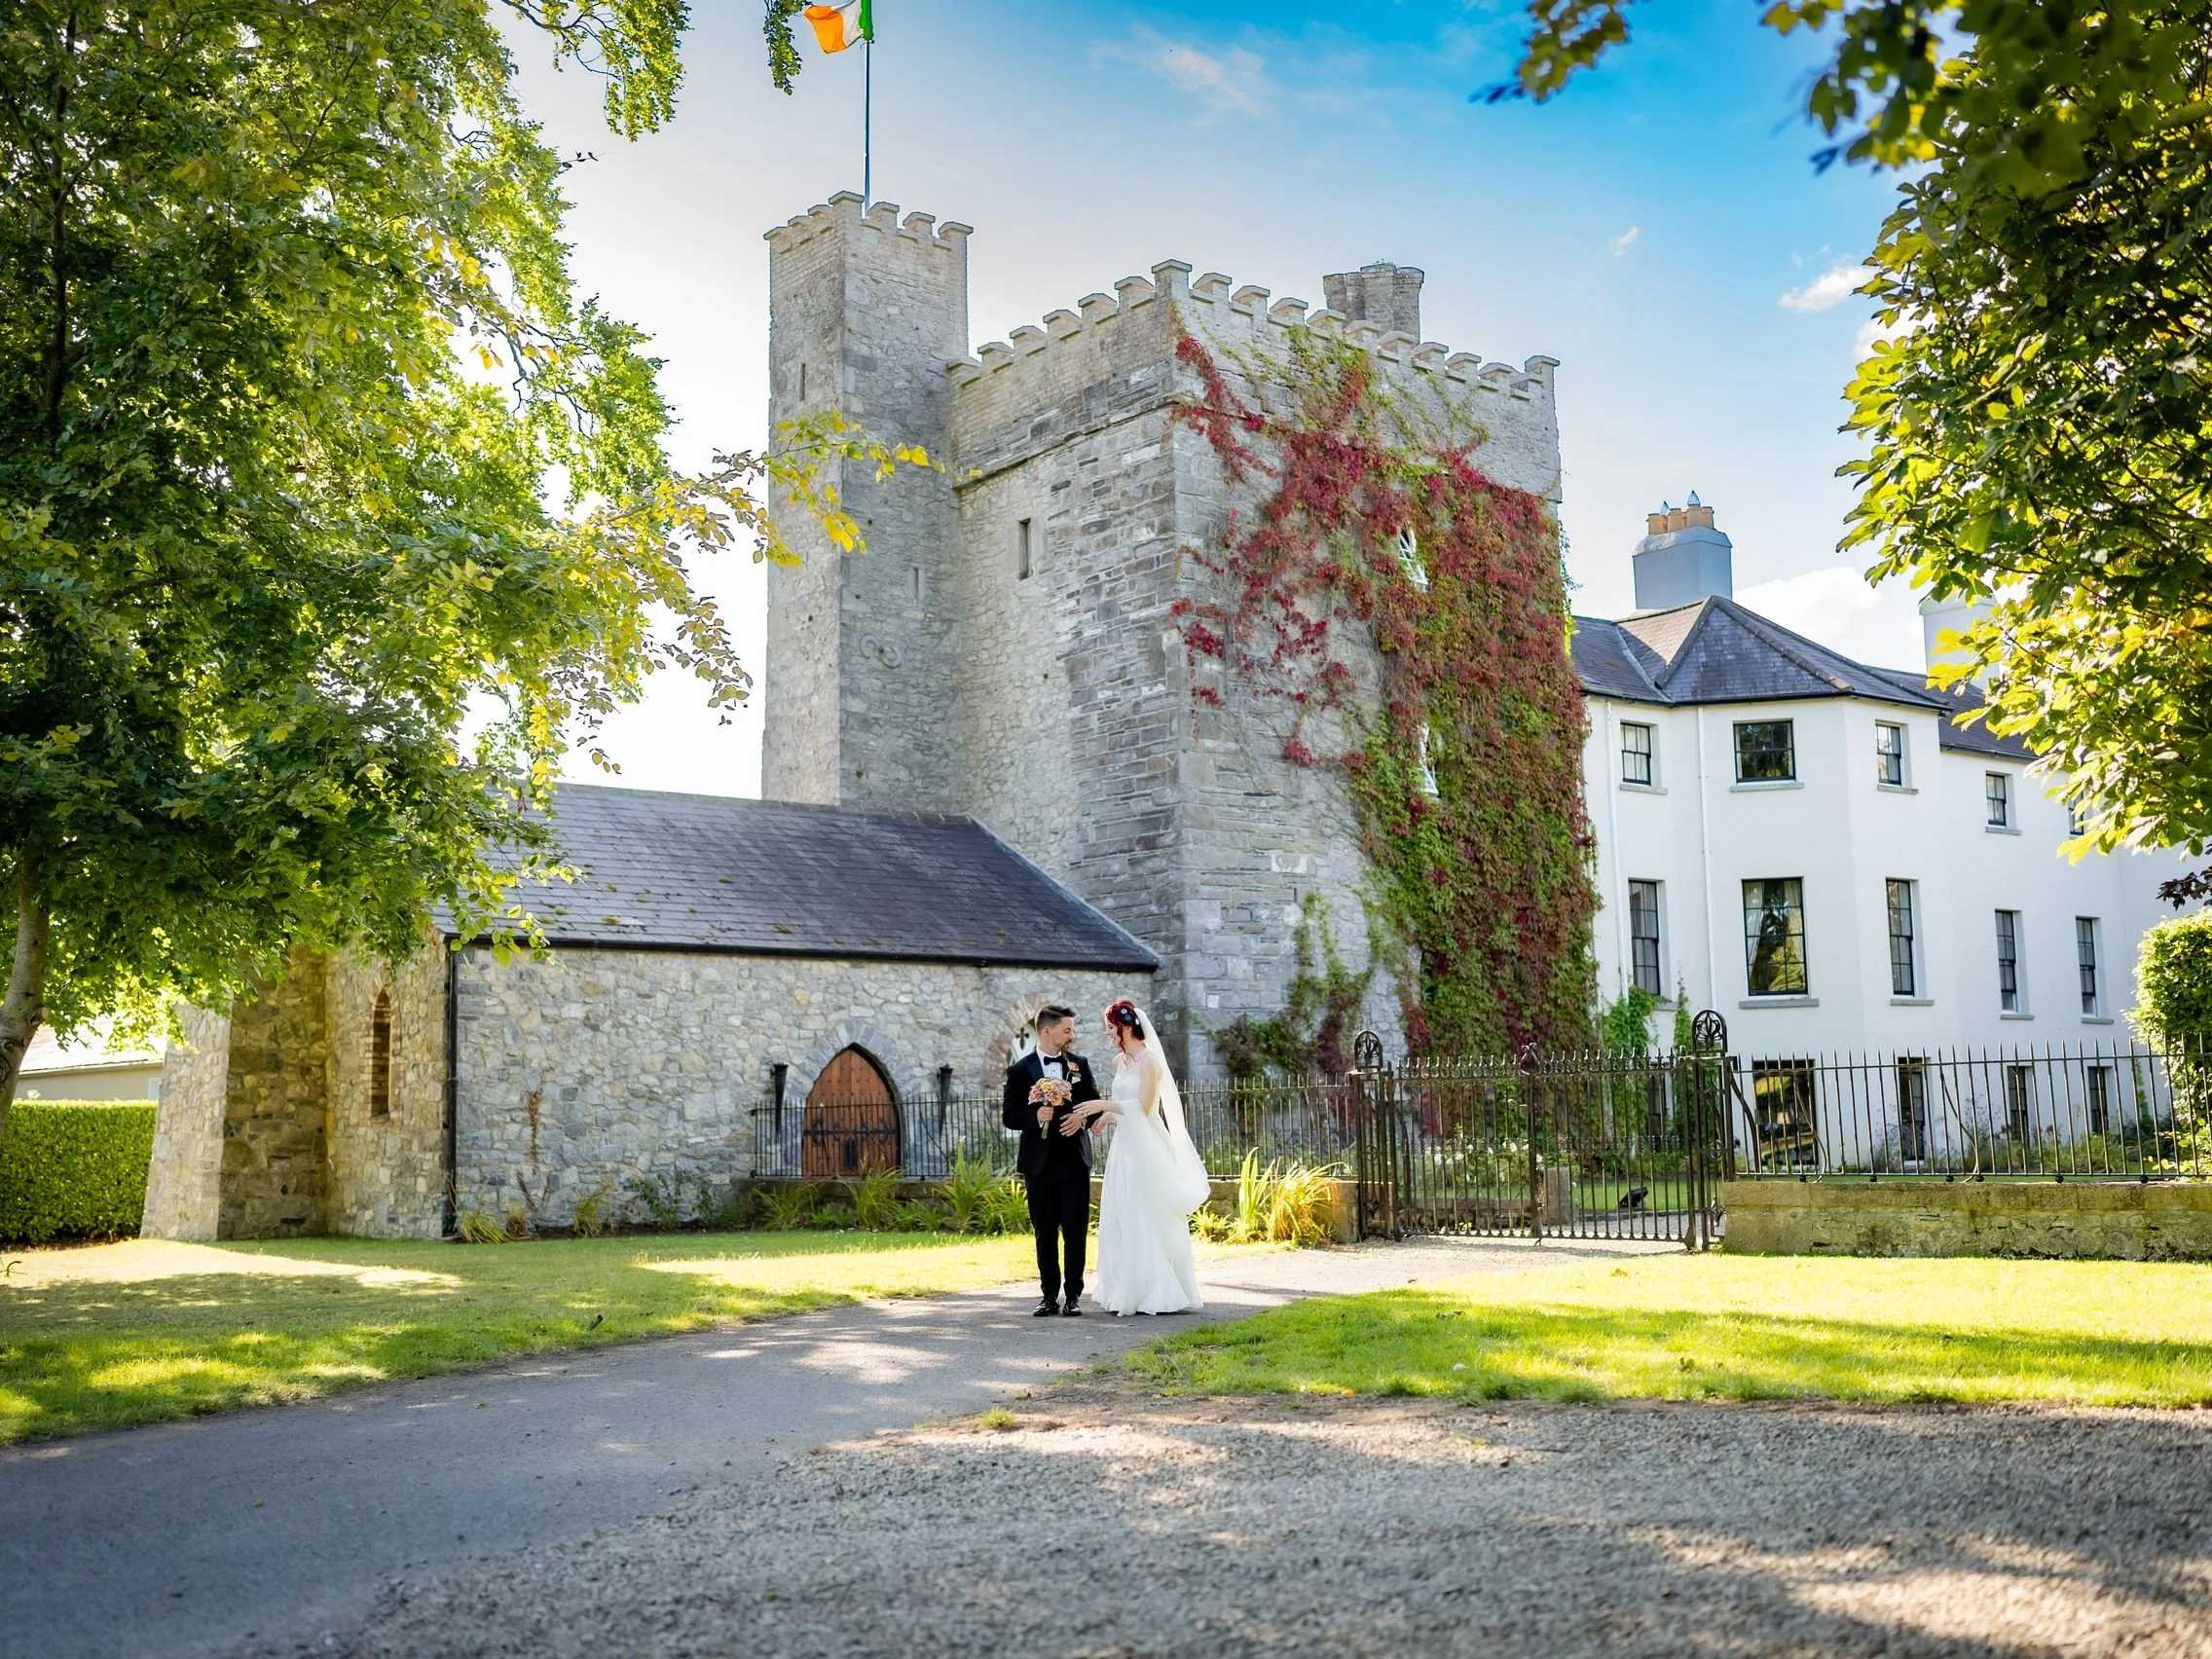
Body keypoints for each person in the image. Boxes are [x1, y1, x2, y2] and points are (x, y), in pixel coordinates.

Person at [1076, 1000, 1208, 1315]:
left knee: (1145, 1212)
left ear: (1124, 1027)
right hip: (1124, 1149)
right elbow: (1124, 1102)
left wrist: (1102, 1107)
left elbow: (1145, 1107)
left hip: (1147, 1146)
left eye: (1110, 1028)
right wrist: (1105, 1120)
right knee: (1121, 1211)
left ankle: (1157, 1290)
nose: (1107, 1034)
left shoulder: (1149, 1061)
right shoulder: (1118, 1062)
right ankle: (1125, 1287)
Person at [1000, 1005, 1099, 1316]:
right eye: (1067, 1030)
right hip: (1038, 1165)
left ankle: (1073, 1297)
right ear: (1047, 1031)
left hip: (1074, 1162)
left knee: (1075, 1231)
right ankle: (1048, 1296)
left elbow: (1093, 1104)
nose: (1072, 1035)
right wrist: (1035, 1116)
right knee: (1044, 1231)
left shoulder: (1079, 1064)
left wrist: (1080, 1118)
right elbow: (1009, 1116)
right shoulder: (1020, 1070)